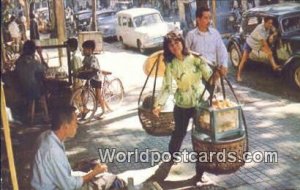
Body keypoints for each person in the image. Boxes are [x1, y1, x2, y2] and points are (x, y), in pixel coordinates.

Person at [152, 31, 221, 183]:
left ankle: (200, 172)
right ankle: (171, 158)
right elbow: (167, 87)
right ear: (168, 48)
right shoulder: (170, 64)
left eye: (177, 42)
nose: (174, 46)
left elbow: (209, 76)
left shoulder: (195, 59)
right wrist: (158, 105)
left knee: (201, 139)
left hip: (199, 104)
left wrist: (216, 74)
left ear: (182, 43)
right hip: (181, 104)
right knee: (178, 133)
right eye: (171, 45)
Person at [30, 105, 108, 189]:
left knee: (93, 171)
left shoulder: (46, 135)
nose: (77, 126)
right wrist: (94, 173)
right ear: (65, 126)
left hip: (51, 183)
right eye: (75, 122)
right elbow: (69, 186)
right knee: (100, 183)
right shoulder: (53, 151)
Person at [185, 7, 228, 77]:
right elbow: (185, 54)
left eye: (209, 18)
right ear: (198, 19)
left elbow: (222, 50)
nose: (209, 21)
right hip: (196, 73)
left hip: (213, 72)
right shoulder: (191, 35)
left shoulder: (215, 33)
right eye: (206, 18)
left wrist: (224, 65)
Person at [236, 16, 281, 82]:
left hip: (258, 44)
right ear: (264, 23)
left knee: (270, 53)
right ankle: (238, 76)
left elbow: (276, 31)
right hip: (250, 43)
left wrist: (272, 35)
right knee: (244, 60)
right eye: (269, 23)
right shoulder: (260, 29)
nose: (270, 25)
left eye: (271, 23)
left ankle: (274, 66)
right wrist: (268, 50)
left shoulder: (270, 26)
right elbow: (264, 43)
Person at [81, 40, 110, 117]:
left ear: (90, 50)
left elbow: (94, 69)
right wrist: (80, 70)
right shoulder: (86, 58)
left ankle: (104, 111)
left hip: (96, 78)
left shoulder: (93, 58)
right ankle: (85, 109)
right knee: (83, 93)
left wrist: (87, 70)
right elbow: (83, 66)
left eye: (84, 49)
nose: (83, 51)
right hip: (89, 77)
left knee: (98, 95)